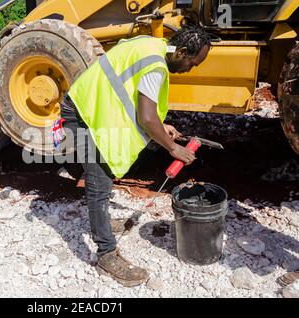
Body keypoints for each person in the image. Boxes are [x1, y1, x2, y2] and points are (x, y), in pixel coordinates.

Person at [60, 24, 211, 287]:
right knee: (99, 182)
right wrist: (173, 148)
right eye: (192, 63)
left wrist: (160, 127)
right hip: (85, 114)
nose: (190, 69)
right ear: (183, 51)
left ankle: (102, 224)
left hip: (92, 105)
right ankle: (106, 254)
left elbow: (126, 91)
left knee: (102, 180)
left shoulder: (153, 45)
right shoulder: (156, 66)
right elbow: (146, 116)